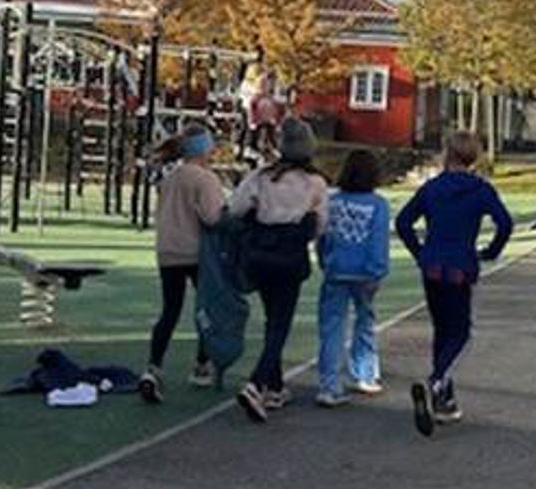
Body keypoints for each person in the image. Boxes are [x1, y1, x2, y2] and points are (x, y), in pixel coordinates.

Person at [396, 131, 514, 437]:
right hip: (461, 265)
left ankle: (444, 397)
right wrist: (491, 251)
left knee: (442, 329)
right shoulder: (480, 190)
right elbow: (505, 223)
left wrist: (419, 252)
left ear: (446, 153)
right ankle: (436, 381)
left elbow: (403, 221)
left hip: (432, 264)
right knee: (460, 333)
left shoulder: (432, 188)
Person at [230, 117, 328, 423]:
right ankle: (257, 382)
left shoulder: (261, 177)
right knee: (280, 325)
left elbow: (235, 208)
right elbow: (321, 224)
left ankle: (274, 385)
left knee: (272, 318)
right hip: (290, 255)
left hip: (259, 253)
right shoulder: (315, 183)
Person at [139, 123, 226, 404]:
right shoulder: (205, 179)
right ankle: (202, 364)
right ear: (205, 149)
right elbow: (213, 217)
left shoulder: (171, 177)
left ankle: (153, 366)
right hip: (196, 251)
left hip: (167, 249)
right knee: (207, 308)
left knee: (170, 309)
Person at [315, 150, 391, 408]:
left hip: (336, 270)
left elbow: (322, 234)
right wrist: (377, 270)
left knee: (331, 327)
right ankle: (365, 374)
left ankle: (329, 384)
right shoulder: (378, 205)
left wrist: (325, 261)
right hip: (366, 272)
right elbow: (378, 240)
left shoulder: (331, 201)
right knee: (365, 320)